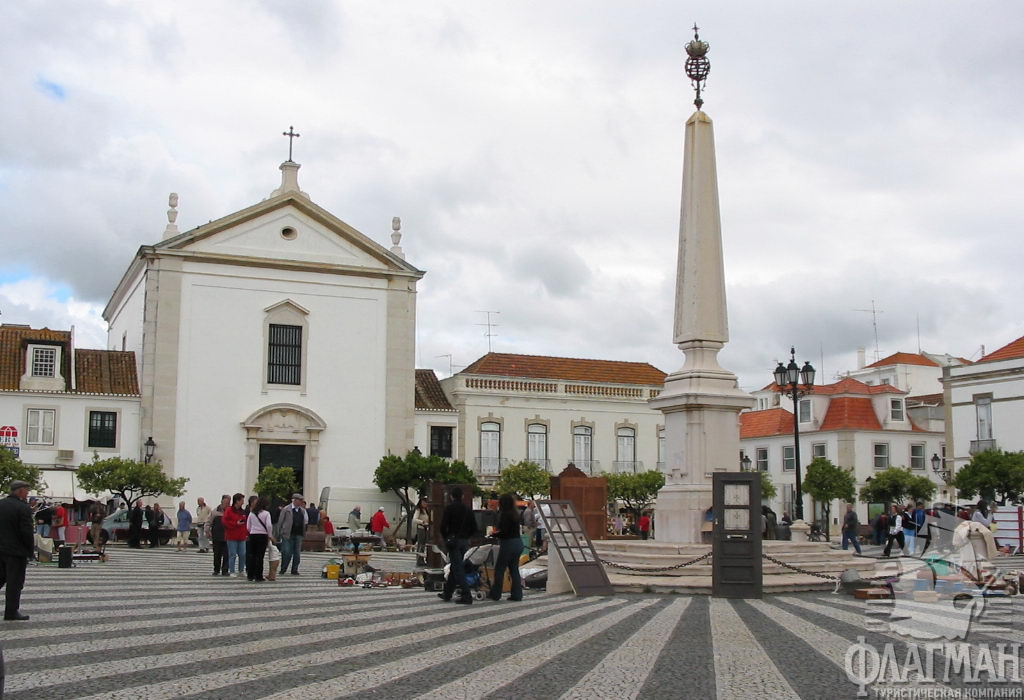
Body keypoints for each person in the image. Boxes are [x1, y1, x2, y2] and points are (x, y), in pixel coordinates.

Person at [0, 480, 34, 620]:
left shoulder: (1, 504)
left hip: (0, 549)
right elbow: (26, 532)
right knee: (15, 582)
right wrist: (30, 550)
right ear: (20, 491)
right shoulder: (23, 508)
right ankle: (11, 611)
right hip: (16, 551)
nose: (27, 494)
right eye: (26, 490)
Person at [439, 485, 479, 604]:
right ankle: (447, 593)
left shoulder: (449, 508)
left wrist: (447, 537)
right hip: (464, 542)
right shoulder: (467, 509)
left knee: (458, 568)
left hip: (453, 541)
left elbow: (442, 526)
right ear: (462, 496)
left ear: (451, 497)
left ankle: (467, 596)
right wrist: (467, 536)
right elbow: (474, 527)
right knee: (456, 566)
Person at [488, 493, 524, 602]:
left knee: (500, 569)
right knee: (514, 569)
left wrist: (493, 535)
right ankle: (517, 595)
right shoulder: (515, 514)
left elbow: (504, 532)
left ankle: (496, 594)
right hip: (518, 543)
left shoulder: (504, 514)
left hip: (508, 544)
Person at [273, 493, 308, 576]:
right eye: (300, 501)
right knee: (286, 552)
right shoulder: (286, 509)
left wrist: (304, 532)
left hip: (298, 534)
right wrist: (279, 533)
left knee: (297, 554)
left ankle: (294, 569)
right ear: (295, 500)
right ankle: (283, 568)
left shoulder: (302, 511)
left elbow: (305, 521)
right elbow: (280, 522)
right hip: (287, 534)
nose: (301, 503)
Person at [246, 497, 274, 582]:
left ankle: (250, 575)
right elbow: (269, 525)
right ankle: (258, 576)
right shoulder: (266, 513)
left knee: (253, 555)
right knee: (260, 556)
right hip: (262, 535)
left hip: (253, 535)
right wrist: (269, 535)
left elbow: (248, 526)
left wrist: (252, 531)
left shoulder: (252, 513)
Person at [223, 493, 249, 577]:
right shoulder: (229, 510)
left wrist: (246, 533)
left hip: (241, 536)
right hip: (231, 536)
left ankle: (241, 570)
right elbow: (224, 521)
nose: (243, 502)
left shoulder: (243, 511)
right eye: (242, 500)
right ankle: (232, 571)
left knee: (243, 553)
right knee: (232, 554)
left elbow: (245, 523)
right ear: (237, 501)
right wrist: (235, 523)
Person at [208, 495, 229, 576]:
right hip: (216, 536)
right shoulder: (214, 512)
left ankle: (225, 570)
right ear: (222, 502)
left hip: (227, 537)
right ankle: (216, 569)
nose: (227, 504)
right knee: (217, 554)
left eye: (228, 502)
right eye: (226, 502)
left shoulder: (230, 511)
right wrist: (207, 531)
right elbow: (209, 522)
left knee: (226, 554)